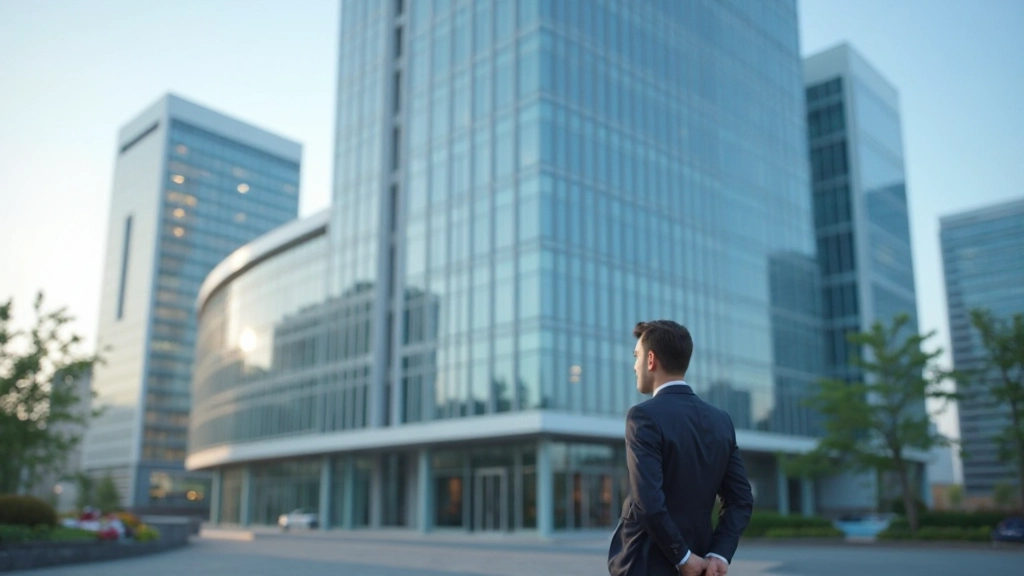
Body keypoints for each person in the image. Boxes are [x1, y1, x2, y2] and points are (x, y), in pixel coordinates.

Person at [608, 320, 754, 576]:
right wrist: (719, 554)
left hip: (647, 563)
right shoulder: (721, 421)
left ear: (651, 360)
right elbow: (741, 500)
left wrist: (683, 557)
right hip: (702, 567)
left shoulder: (643, 417)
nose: (634, 366)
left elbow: (649, 502)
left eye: (637, 356)